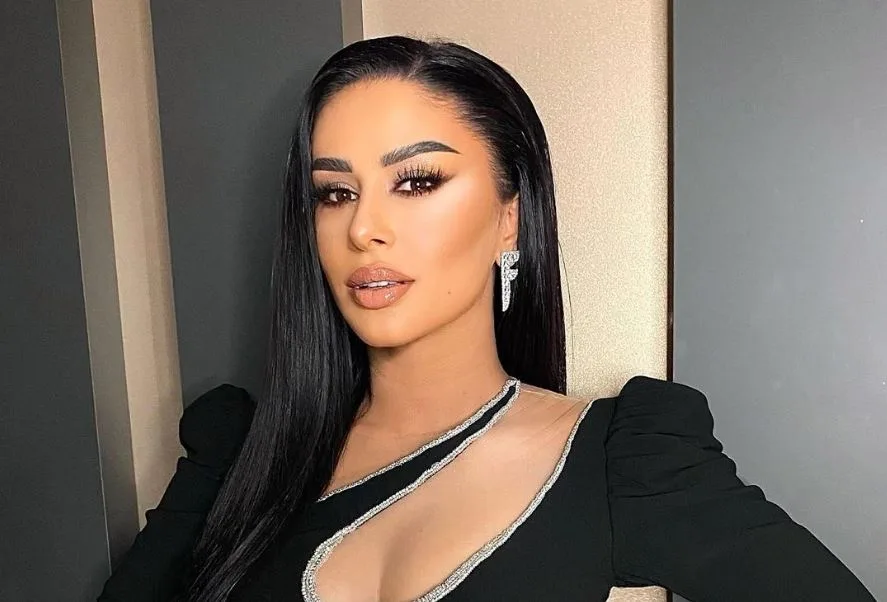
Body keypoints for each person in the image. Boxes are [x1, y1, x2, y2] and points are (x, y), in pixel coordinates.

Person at [99, 35, 876, 602]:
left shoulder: (622, 462)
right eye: (334, 193)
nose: (363, 227)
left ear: (510, 218)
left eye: (416, 182)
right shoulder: (239, 454)